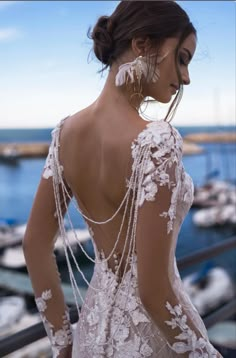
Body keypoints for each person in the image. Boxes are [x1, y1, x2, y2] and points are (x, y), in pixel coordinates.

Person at [23, 1, 223, 357]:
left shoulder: (64, 135)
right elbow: (153, 291)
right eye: (182, 58)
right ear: (143, 44)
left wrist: (63, 345)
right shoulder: (157, 141)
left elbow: (35, 244)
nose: (186, 78)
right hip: (152, 341)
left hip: (91, 334)